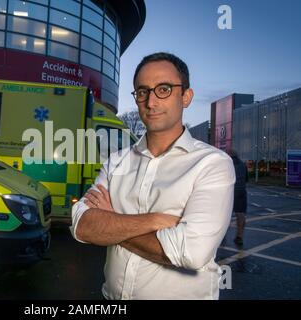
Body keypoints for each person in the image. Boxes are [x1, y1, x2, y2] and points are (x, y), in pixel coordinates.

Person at [70, 52, 236, 300]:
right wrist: (155, 220)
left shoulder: (212, 164)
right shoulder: (117, 161)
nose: (151, 102)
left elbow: (189, 252)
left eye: (164, 89)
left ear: (186, 96)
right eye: (142, 91)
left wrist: (113, 222)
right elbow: (82, 226)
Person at [229, 150, 248, 246]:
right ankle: (239, 236)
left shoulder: (227, 164)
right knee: (240, 215)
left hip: (230, 193)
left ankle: (220, 235)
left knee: (225, 215)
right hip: (241, 192)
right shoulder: (243, 165)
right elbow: (246, 179)